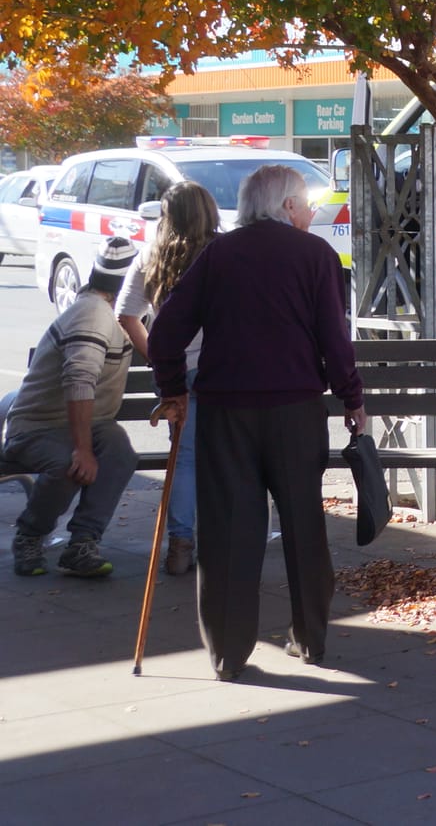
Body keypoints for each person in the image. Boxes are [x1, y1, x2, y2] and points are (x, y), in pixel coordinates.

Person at [149, 164, 368, 680]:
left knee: (227, 530)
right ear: (287, 206)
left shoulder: (217, 254)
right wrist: (352, 399)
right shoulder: (316, 256)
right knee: (304, 525)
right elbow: (334, 341)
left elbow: (164, 333)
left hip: (227, 412)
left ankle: (227, 654)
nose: (312, 214)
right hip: (295, 411)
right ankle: (310, 639)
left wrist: (174, 390)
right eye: (306, 205)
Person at [5, 238, 141, 578]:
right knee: (68, 464)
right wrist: (82, 449)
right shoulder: (92, 315)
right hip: (37, 426)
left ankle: (82, 542)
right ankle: (30, 535)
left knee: (119, 451)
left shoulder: (110, 313)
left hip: (88, 423)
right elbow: (79, 381)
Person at [116, 181, 223, 577]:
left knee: (185, 458)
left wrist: (157, 356)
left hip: (175, 373)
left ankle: (181, 544)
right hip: (223, 371)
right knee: (229, 455)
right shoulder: (222, 252)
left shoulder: (152, 254)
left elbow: (126, 314)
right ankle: (223, 541)